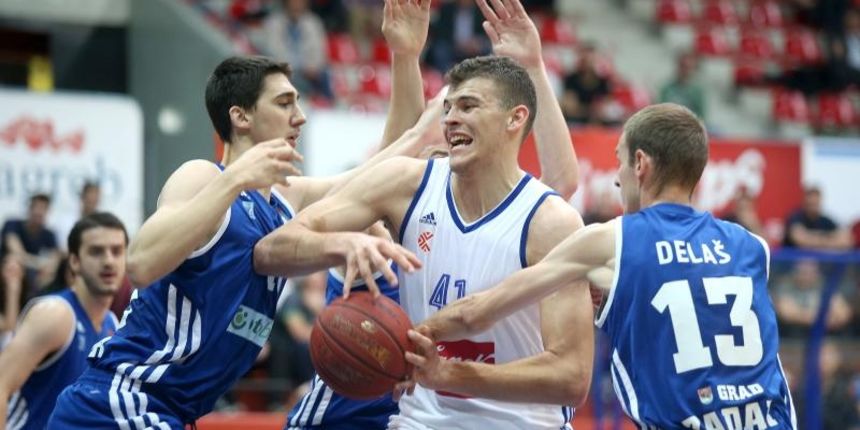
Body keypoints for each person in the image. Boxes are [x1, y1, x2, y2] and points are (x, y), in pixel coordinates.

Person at [256, 3, 594, 430]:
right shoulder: (405, 185)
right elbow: (271, 249)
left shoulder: (549, 220)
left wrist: (450, 373)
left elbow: (571, 378)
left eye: (468, 106)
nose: (451, 118)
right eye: (448, 107)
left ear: (515, 120)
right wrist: (340, 241)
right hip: (416, 418)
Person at [47, 54, 424, 428]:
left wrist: (406, 56)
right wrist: (235, 178)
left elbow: (382, 178)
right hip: (119, 402)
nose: (301, 115)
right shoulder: (202, 177)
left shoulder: (287, 201)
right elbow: (142, 264)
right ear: (240, 116)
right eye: (284, 103)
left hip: (168, 411)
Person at [413, 103, 798, 429]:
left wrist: (416, 339)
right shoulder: (752, 246)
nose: (617, 178)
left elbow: (481, 311)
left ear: (640, 164)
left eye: (619, 161)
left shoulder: (611, 239)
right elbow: (695, 312)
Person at [0, 212, 126, 429]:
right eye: (96, 252)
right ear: (75, 262)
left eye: (117, 251)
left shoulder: (112, 325)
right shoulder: (56, 314)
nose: (108, 260)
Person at [1, 193, 61, 291]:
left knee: (49, 272)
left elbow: (55, 260)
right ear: (30, 208)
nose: (40, 212)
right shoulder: (12, 224)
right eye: (37, 207)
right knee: (13, 265)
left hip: (34, 276)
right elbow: (18, 254)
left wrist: (47, 266)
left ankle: (37, 301)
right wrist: (41, 263)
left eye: (44, 208)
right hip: (9, 272)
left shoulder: (49, 234)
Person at [783, 186, 853, 251]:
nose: (813, 207)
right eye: (811, 204)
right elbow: (799, 239)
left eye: (816, 204)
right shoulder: (796, 217)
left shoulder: (825, 220)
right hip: (797, 261)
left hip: (822, 260)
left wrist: (815, 240)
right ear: (805, 202)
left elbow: (846, 240)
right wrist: (829, 240)